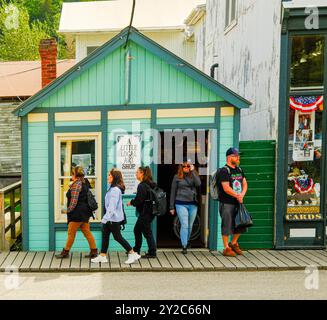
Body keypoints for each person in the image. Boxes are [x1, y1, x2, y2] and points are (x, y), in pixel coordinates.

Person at [91, 169, 141, 264]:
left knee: (117, 237)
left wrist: (104, 219)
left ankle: (132, 253)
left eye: (109, 175)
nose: (108, 177)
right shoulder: (111, 188)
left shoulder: (115, 190)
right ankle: (102, 255)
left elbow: (112, 207)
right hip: (110, 218)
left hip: (113, 219)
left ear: (114, 177)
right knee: (105, 236)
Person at [56, 166, 98, 259]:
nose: (71, 175)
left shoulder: (77, 184)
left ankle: (65, 252)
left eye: (72, 173)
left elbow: (74, 201)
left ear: (75, 174)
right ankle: (94, 251)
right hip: (85, 212)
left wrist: (68, 210)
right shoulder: (84, 182)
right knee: (87, 232)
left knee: (71, 234)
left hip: (77, 213)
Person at [217, 147, 248, 257]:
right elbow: (226, 188)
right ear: (229, 157)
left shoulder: (239, 170)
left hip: (238, 201)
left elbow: (245, 183)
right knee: (227, 224)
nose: (238, 158)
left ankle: (233, 242)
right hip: (227, 202)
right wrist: (237, 195)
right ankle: (226, 248)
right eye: (236, 156)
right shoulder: (224, 171)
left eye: (238, 156)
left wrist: (242, 195)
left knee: (241, 223)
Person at [170, 159, 201, 254]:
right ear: (181, 167)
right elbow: (173, 192)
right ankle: (184, 245)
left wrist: (193, 171)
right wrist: (171, 207)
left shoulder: (194, 176)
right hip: (180, 203)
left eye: (188, 166)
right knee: (184, 224)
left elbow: (198, 184)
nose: (186, 168)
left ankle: (186, 242)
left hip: (193, 204)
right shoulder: (177, 177)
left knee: (190, 225)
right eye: (184, 166)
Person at [127, 166, 157, 258]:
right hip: (150, 212)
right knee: (139, 230)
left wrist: (131, 202)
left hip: (145, 213)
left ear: (142, 174)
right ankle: (137, 250)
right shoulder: (149, 184)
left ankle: (151, 252)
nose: (136, 174)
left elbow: (139, 200)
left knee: (145, 232)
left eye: (137, 172)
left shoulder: (142, 185)